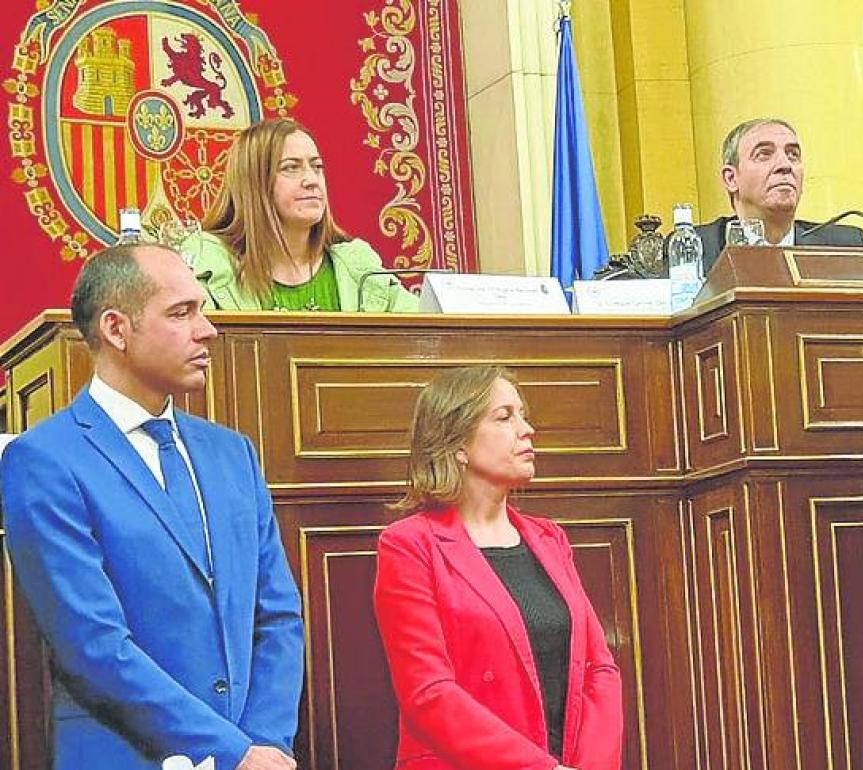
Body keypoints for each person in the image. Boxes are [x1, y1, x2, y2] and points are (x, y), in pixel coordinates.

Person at [0, 244, 305, 769]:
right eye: (182, 313)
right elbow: (92, 646)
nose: (207, 329)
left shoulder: (233, 453)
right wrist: (232, 752)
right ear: (117, 330)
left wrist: (267, 742)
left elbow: (278, 615)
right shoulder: (44, 461)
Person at [373, 366, 622, 770]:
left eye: (523, 415)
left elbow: (599, 669)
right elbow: (428, 692)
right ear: (456, 445)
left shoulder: (549, 539)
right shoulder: (409, 545)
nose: (527, 430)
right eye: (505, 417)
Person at [186, 117, 420, 312]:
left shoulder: (359, 267)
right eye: (291, 167)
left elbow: (428, 336)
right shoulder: (208, 267)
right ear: (254, 183)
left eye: (316, 167)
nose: (311, 180)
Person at [695, 118, 863, 273]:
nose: (785, 165)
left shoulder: (845, 247)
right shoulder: (696, 247)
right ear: (731, 178)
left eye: (793, 155)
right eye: (763, 155)